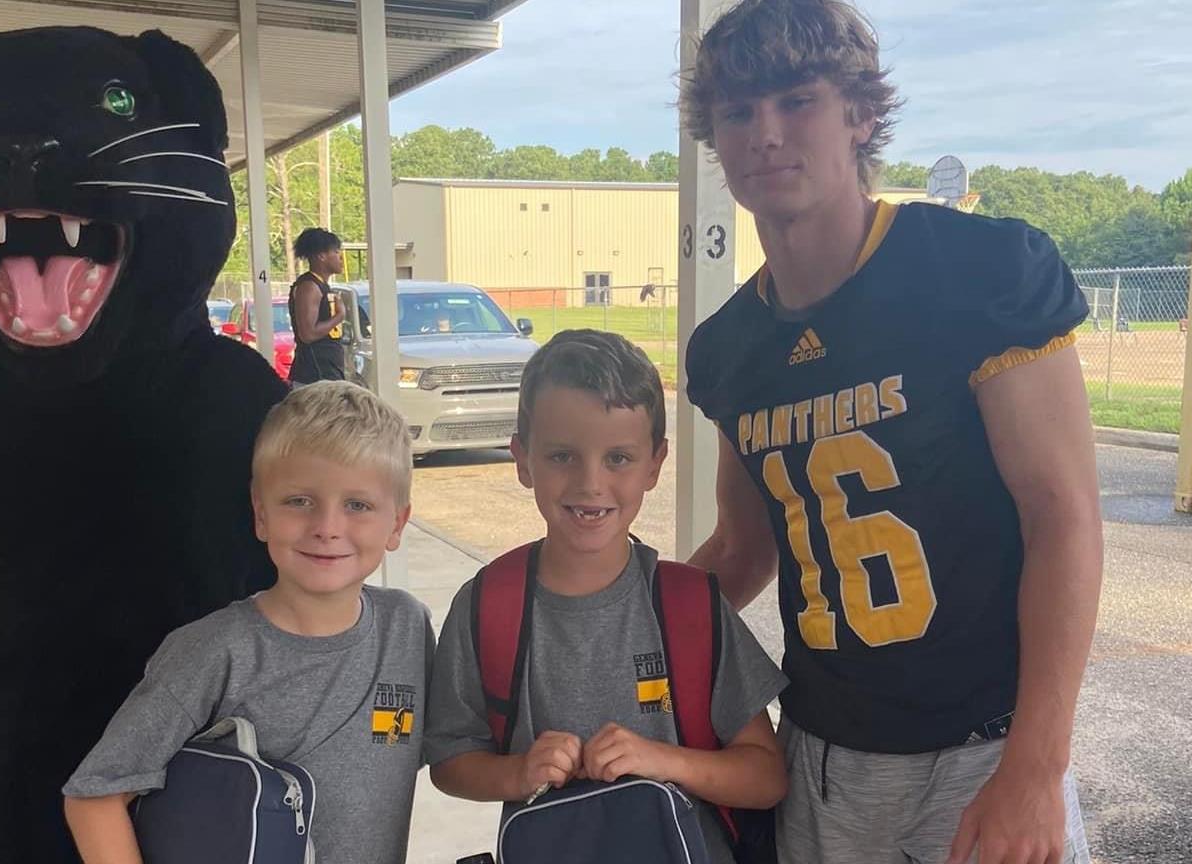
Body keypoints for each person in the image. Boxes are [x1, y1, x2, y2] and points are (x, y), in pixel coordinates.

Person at [679, 3, 1103, 864]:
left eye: (796, 100)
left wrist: (1034, 768)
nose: (765, 134)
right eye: (738, 112)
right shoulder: (730, 348)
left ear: (861, 113)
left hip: (979, 749)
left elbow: (1061, 518)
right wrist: (596, 617)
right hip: (821, 757)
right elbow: (744, 548)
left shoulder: (976, 273)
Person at [425, 329, 788, 864]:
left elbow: (766, 776)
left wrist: (661, 760)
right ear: (522, 460)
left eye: (617, 457)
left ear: (654, 464)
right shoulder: (486, 607)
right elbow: (450, 761)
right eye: (562, 456)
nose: (590, 483)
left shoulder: (691, 607)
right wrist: (517, 771)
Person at [64, 381, 433, 864]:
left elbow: (447, 753)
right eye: (299, 500)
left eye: (357, 505)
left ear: (398, 525)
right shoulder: (211, 652)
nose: (327, 526)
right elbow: (94, 798)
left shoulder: (406, 628)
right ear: (261, 515)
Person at [288, 228, 349, 384]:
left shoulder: (322, 286)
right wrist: (338, 317)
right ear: (321, 256)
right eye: (335, 252)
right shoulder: (309, 286)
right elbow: (307, 334)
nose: (341, 257)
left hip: (328, 373)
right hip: (314, 376)